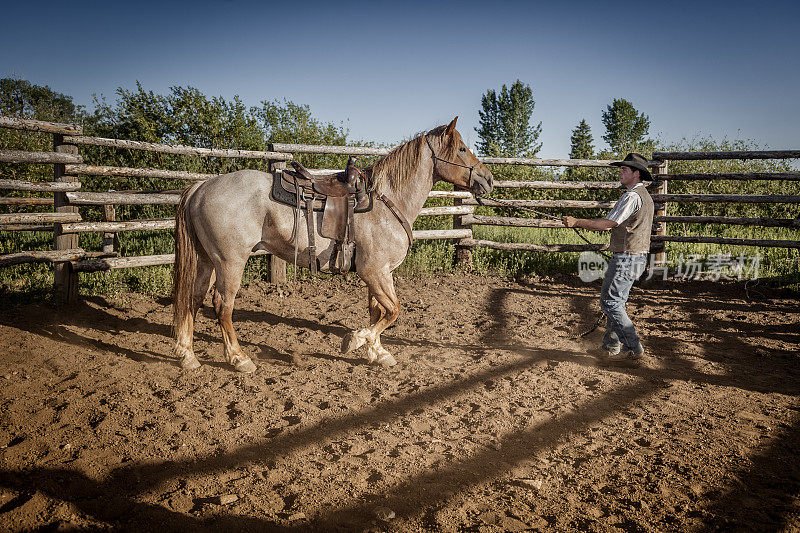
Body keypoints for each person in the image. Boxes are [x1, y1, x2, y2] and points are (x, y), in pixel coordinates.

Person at [562, 153, 654, 366]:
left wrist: (576, 222)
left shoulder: (632, 196)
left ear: (636, 173)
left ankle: (633, 347)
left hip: (627, 258)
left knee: (612, 302)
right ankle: (611, 347)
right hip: (631, 256)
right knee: (614, 301)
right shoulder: (643, 196)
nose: (620, 172)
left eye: (625, 169)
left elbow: (607, 223)